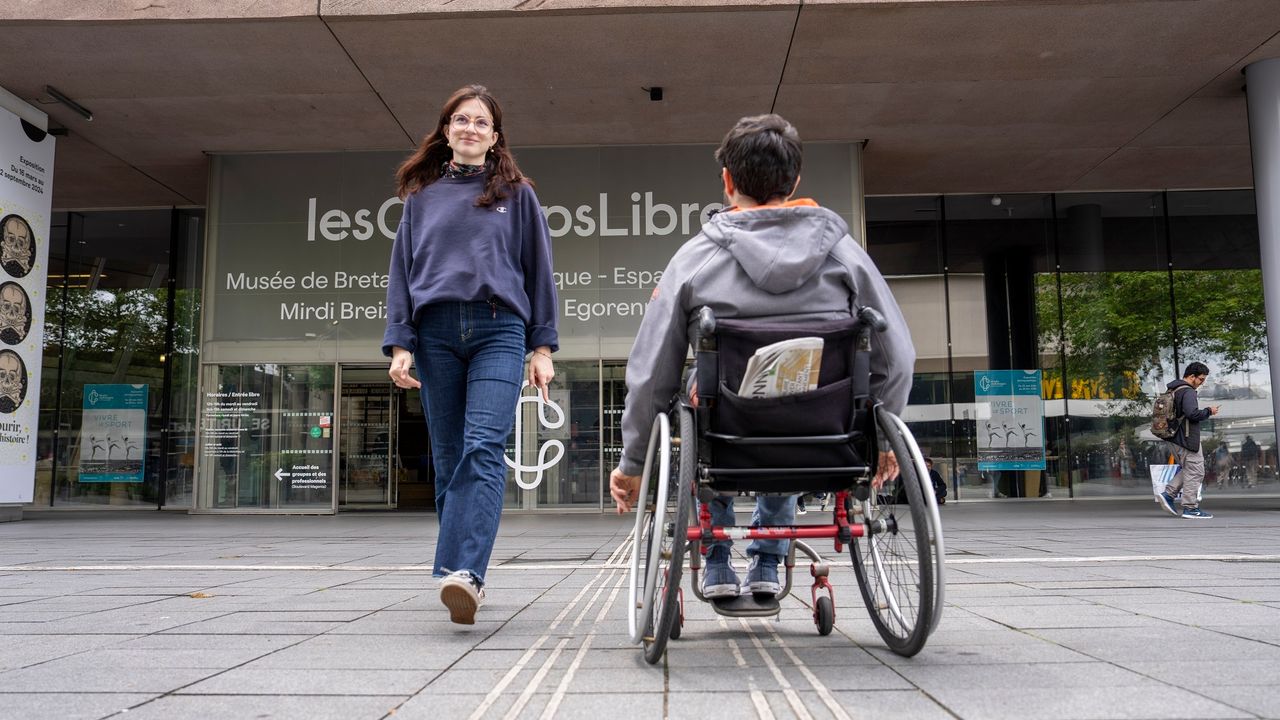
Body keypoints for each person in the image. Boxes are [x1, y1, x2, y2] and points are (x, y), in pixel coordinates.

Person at [608, 114, 915, 599]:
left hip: (726, 431)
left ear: (728, 182)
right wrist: (884, 436)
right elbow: (897, 357)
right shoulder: (846, 257)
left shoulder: (693, 260)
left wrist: (633, 461)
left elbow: (651, 374)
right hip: (824, 429)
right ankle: (769, 562)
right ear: (794, 182)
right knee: (797, 393)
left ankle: (715, 559)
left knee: (696, 397)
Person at [383, 84, 557, 624]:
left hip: (498, 329)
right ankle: (461, 569)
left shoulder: (518, 193)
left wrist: (542, 344)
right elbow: (402, 275)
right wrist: (400, 342)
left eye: (481, 122)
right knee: (450, 455)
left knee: (482, 447)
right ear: (446, 130)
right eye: (461, 120)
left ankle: (465, 574)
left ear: (494, 136)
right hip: (434, 332)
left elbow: (538, 271)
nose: (470, 129)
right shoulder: (421, 197)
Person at [1156, 362, 1220, 519]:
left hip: (1174, 437)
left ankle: (1169, 494)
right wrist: (1208, 411)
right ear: (1192, 376)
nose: (1202, 383)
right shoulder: (1188, 391)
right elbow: (1192, 414)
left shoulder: (1173, 389)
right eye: (1201, 379)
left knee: (1190, 469)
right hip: (1186, 438)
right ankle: (1190, 508)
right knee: (1196, 470)